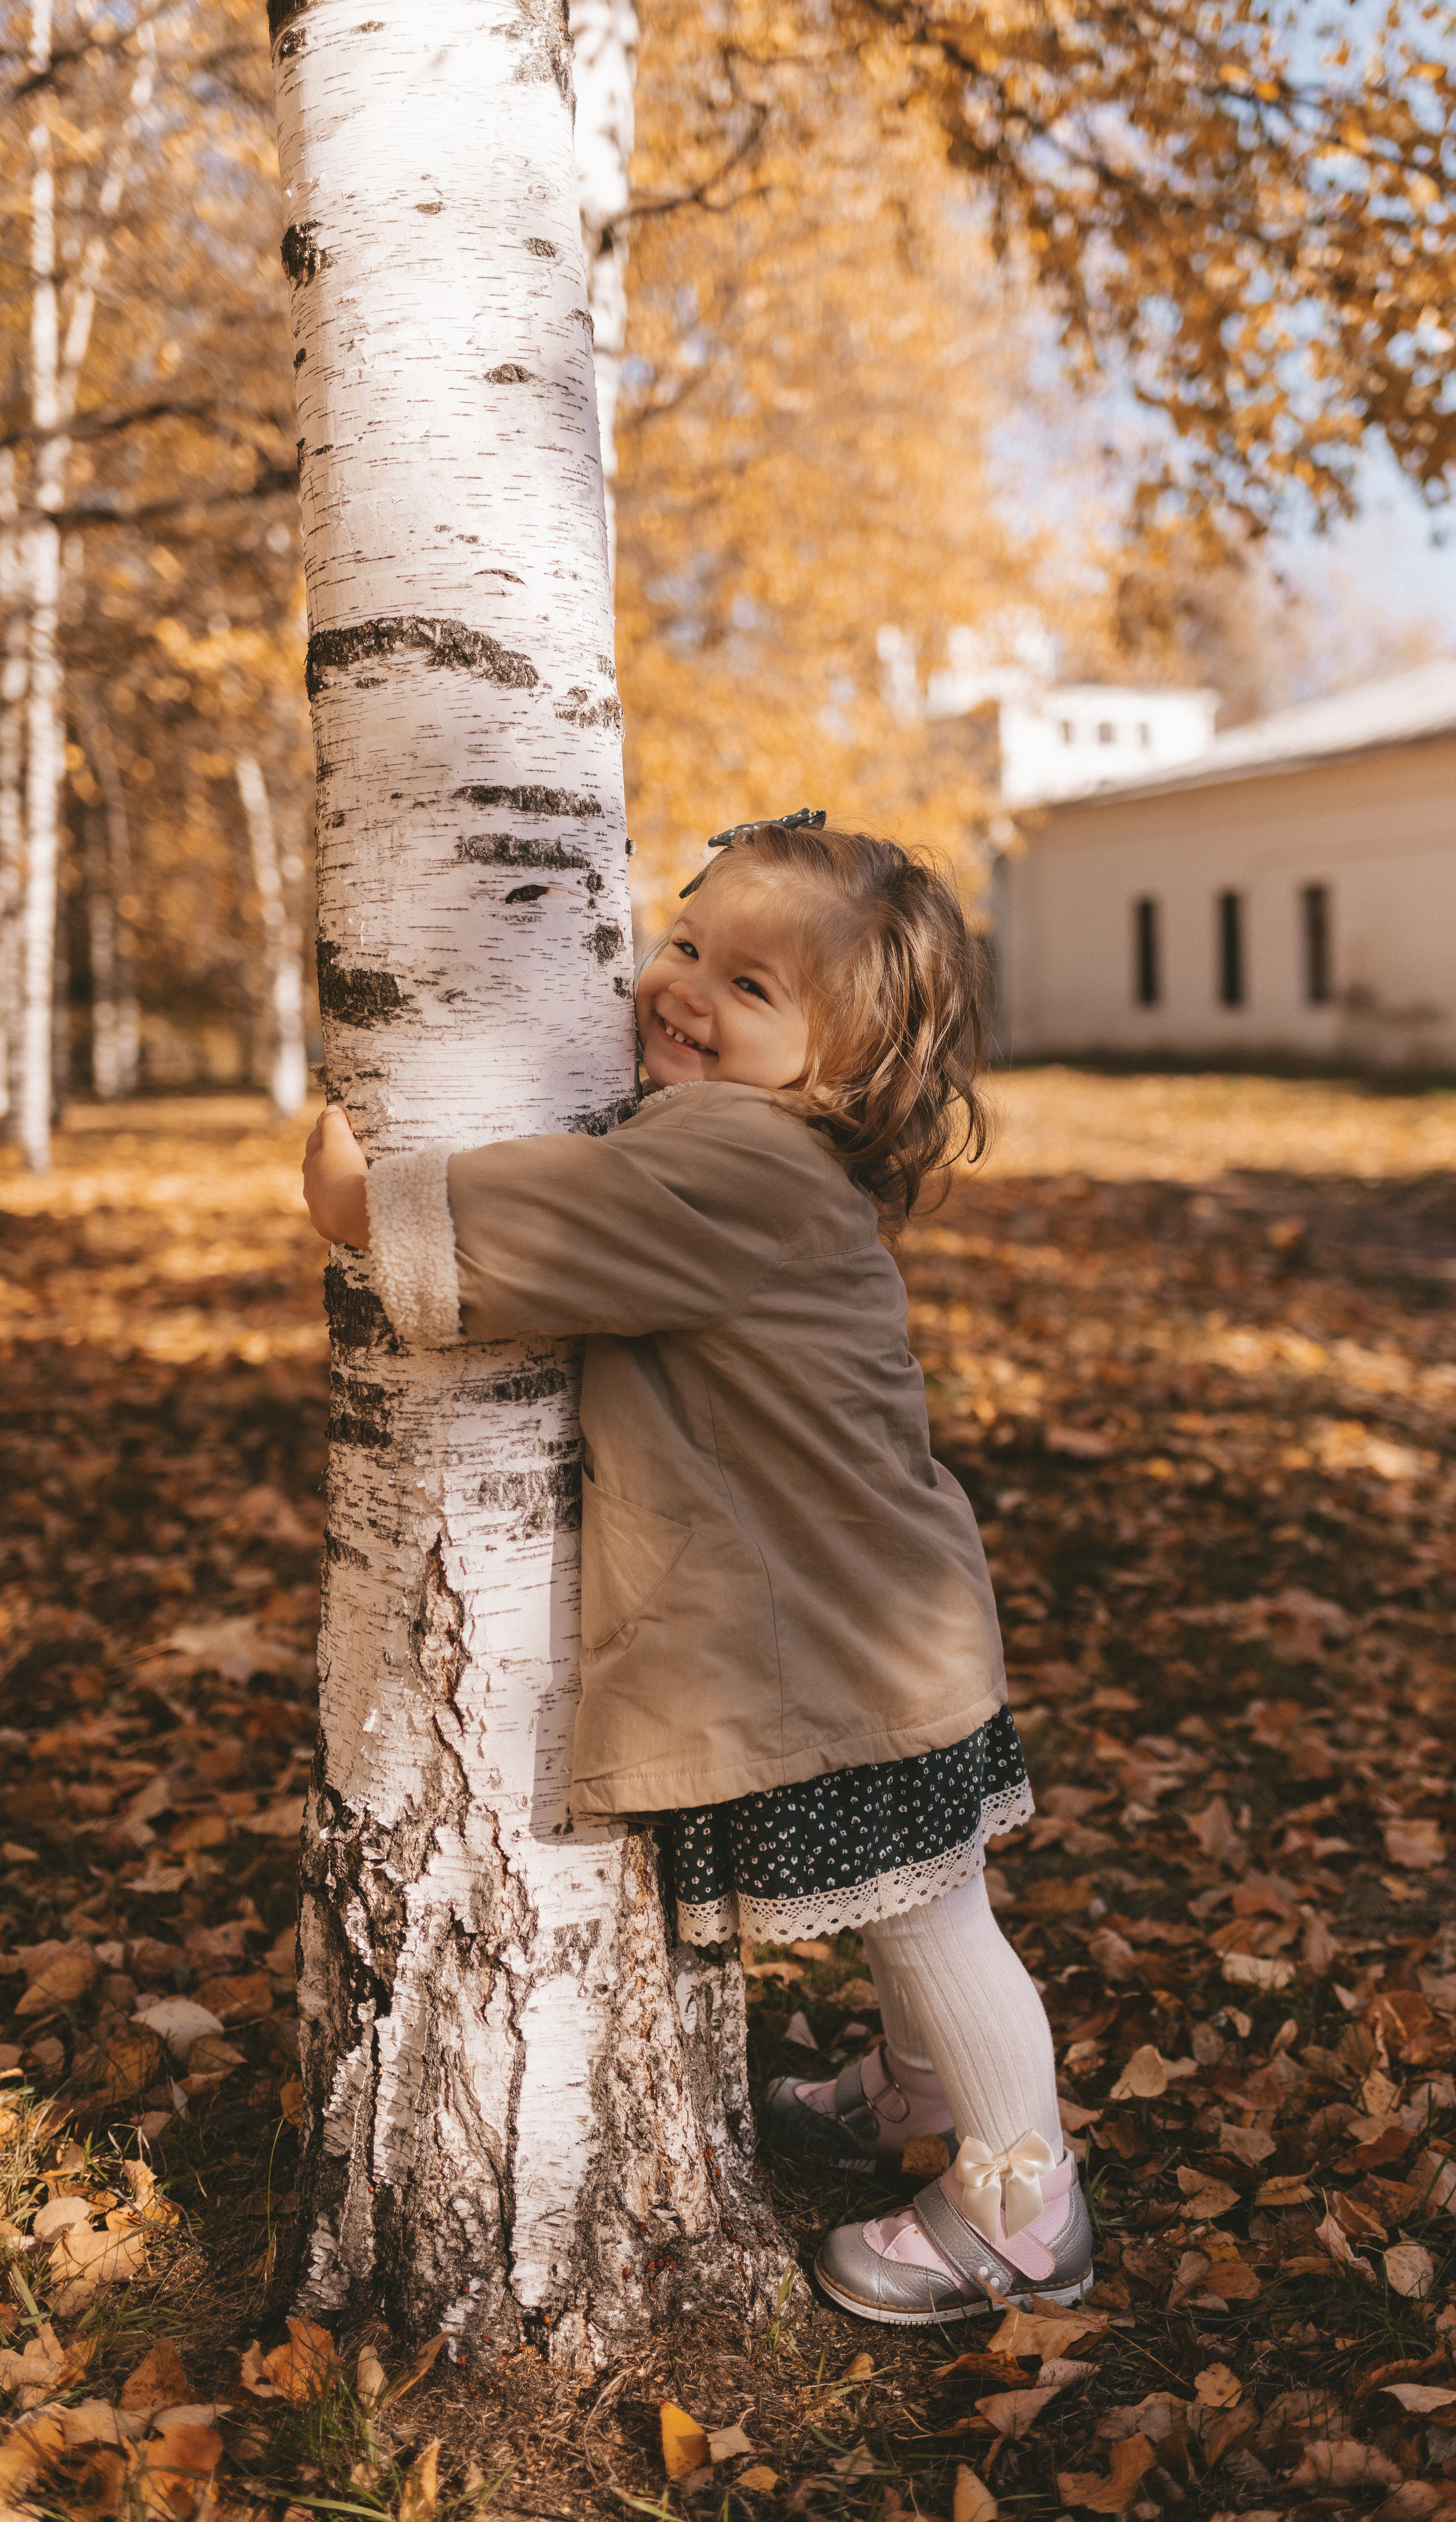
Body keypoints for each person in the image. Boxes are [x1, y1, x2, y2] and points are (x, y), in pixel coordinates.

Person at [301, 812, 1090, 2325]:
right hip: (875, 1611)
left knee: (931, 1913)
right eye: (684, 945)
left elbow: (575, 1218)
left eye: (750, 986)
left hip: (852, 1628)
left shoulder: (735, 1159)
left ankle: (1024, 2204)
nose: (684, 991)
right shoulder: (762, 1149)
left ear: (840, 1068)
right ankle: (916, 2090)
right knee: (914, 1893)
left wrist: (372, 1210)